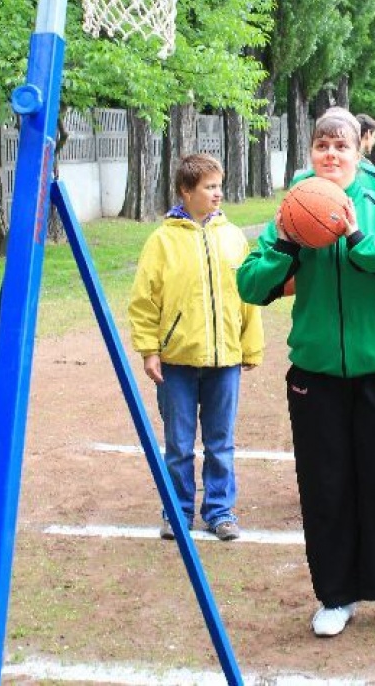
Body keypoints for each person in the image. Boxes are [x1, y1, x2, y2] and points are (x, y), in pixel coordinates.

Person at [237, 112, 375, 638]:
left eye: (340, 146)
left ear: (357, 151)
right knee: (324, 485)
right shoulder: (291, 211)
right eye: (322, 145)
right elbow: (250, 285)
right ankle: (335, 595)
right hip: (317, 371)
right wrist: (285, 246)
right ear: (311, 152)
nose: (331, 154)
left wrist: (356, 239)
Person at [129, 154, 264, 541]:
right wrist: (149, 349)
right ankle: (177, 511)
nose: (217, 193)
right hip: (176, 363)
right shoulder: (161, 241)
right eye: (209, 187)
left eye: (219, 185)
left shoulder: (233, 237)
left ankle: (220, 511)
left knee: (221, 442)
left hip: (225, 360)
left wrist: (249, 347)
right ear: (186, 192)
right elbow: (144, 301)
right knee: (179, 445)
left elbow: (247, 296)